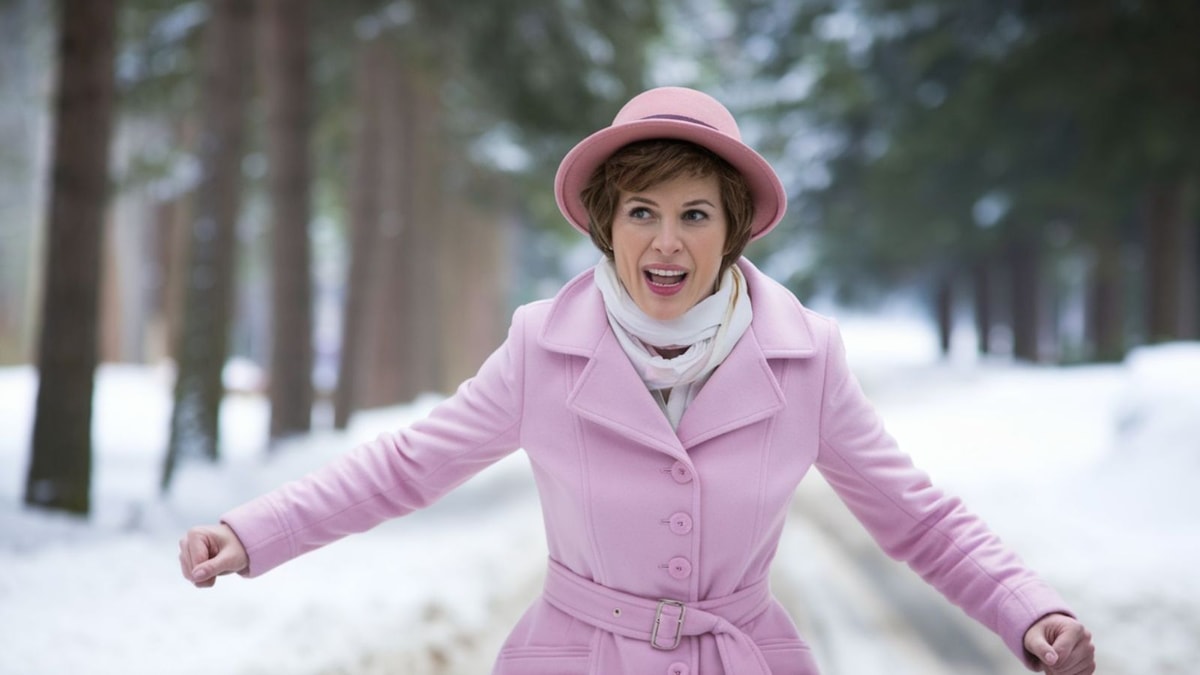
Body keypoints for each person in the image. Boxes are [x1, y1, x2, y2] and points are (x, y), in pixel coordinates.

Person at [180, 86, 1096, 674]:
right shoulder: (542, 348)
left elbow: (919, 518)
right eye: (641, 212)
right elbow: (403, 466)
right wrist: (252, 532)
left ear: (731, 230)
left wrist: (1028, 611)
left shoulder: (806, 357)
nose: (666, 242)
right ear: (606, 226)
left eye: (695, 214)